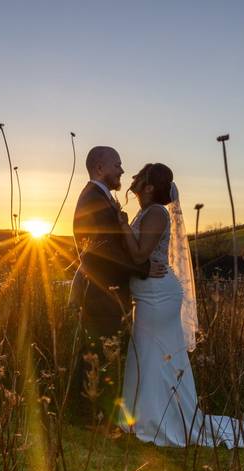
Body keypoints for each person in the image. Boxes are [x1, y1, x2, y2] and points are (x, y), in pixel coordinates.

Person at [115, 162, 244, 459]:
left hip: (158, 297)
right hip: (148, 295)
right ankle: (145, 419)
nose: (132, 178)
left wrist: (121, 225)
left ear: (148, 185)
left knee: (152, 356)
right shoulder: (147, 212)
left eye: (139, 176)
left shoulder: (157, 213)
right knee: (147, 356)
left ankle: (158, 423)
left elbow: (138, 254)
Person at [69, 146, 166, 427]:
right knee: (96, 352)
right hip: (101, 289)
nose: (123, 170)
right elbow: (105, 251)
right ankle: (87, 416)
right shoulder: (93, 200)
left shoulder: (101, 198)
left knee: (99, 351)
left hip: (106, 289)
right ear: (99, 168)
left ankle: (92, 412)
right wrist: (143, 268)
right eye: (118, 165)